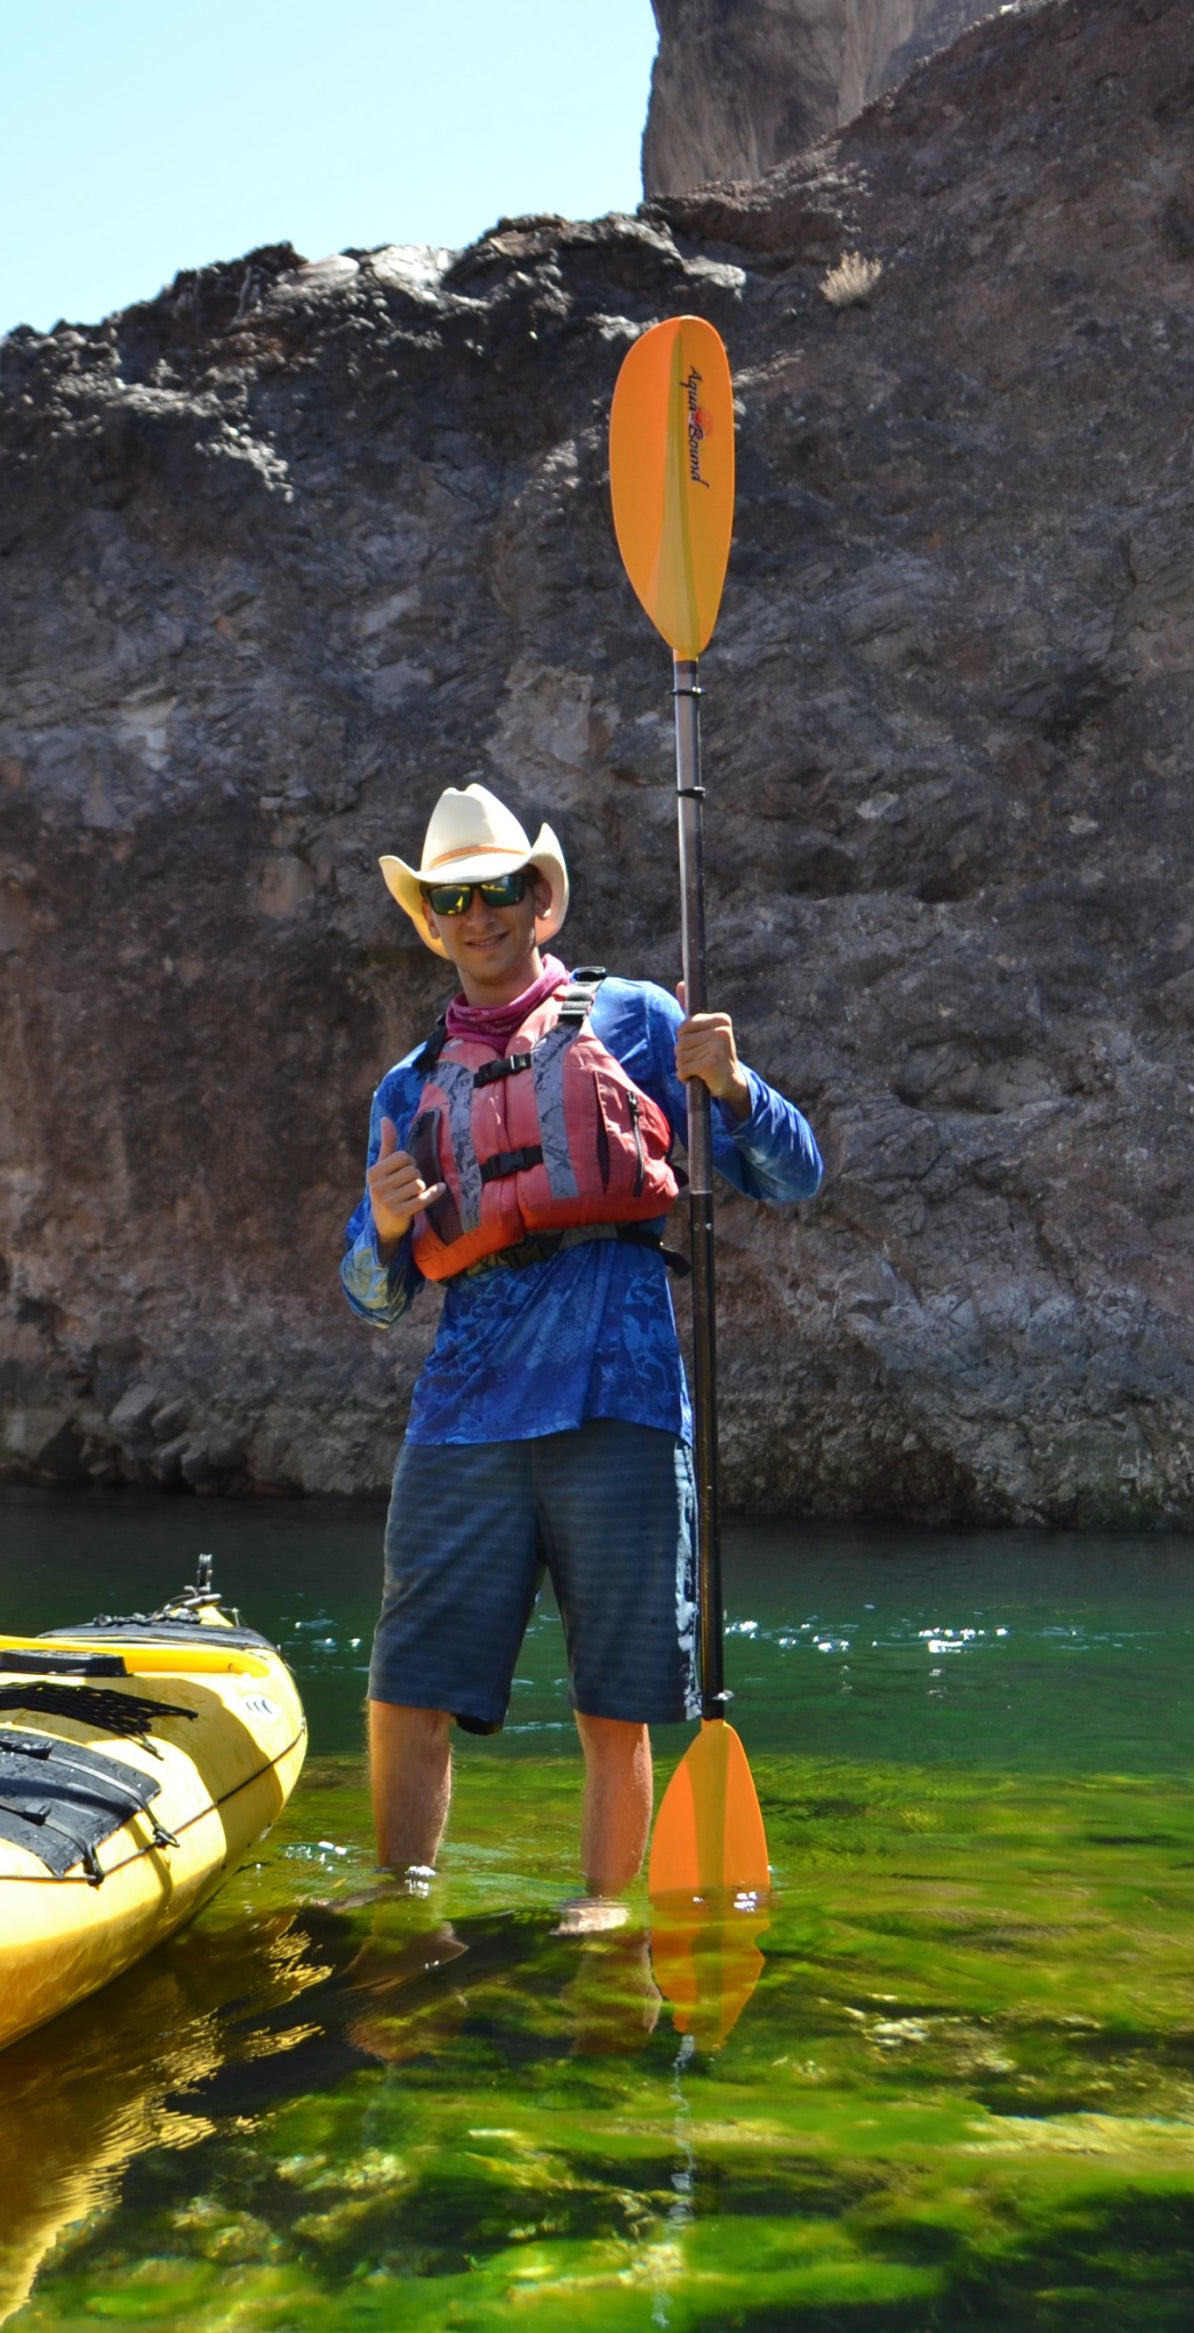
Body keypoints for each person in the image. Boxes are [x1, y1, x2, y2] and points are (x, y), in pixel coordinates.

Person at [339, 782, 824, 1934]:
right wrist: (389, 1229)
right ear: (432, 920)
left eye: (500, 891)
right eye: (454, 899)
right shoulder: (408, 1090)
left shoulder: (643, 1021)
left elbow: (795, 1176)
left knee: (618, 1702)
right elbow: (370, 1298)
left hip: (620, 1398)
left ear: (539, 902)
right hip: (464, 1418)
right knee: (408, 1689)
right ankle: (403, 1898)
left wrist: (735, 1088)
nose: (480, 916)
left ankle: (603, 1909)